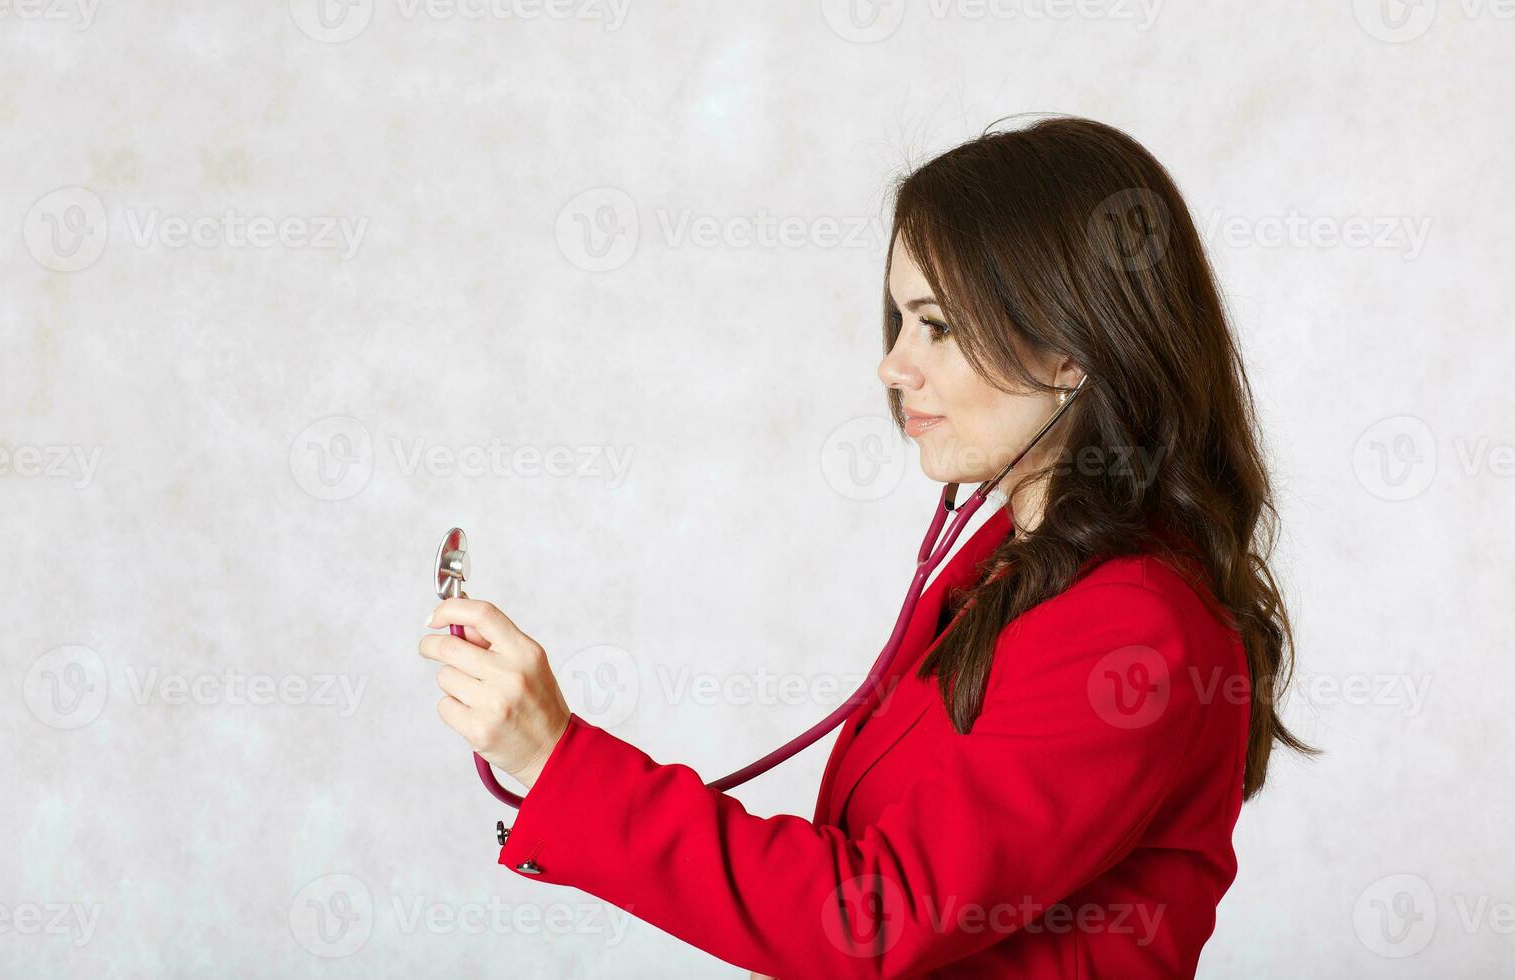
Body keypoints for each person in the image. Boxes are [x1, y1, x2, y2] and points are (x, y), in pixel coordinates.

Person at [418, 115, 1315, 978]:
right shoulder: (1011, 570)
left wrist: (559, 760)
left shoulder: (1135, 630)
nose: (893, 364)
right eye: (899, 320)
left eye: (940, 324)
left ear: (1071, 352)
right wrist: (546, 761)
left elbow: (872, 917)